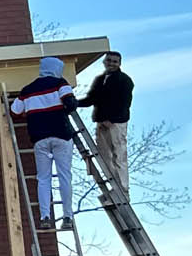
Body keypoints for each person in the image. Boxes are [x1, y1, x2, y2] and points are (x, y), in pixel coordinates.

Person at [10, 56, 79, 229]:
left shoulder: (27, 90)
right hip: (61, 136)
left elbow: (14, 111)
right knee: (64, 176)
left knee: (43, 178)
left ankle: (45, 217)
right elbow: (70, 104)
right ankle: (67, 217)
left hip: (40, 139)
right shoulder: (60, 83)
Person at [85, 50, 133, 198]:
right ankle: (114, 187)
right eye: (109, 60)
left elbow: (125, 103)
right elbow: (91, 99)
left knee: (119, 156)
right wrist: (73, 103)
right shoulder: (100, 80)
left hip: (116, 124)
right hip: (101, 123)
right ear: (104, 62)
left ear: (119, 64)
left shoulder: (124, 80)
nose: (111, 63)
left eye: (114, 61)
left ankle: (123, 190)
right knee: (105, 156)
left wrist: (111, 120)